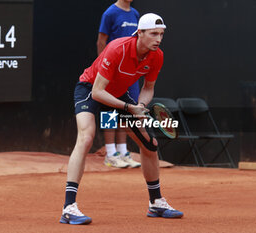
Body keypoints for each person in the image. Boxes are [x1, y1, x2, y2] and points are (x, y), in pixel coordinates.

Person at [60, 13, 183, 225]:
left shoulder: (157, 56)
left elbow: (148, 88)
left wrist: (141, 107)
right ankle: (68, 208)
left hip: (119, 95)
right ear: (140, 33)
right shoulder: (118, 48)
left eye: (161, 34)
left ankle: (156, 203)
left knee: (150, 144)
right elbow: (98, 92)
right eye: (153, 34)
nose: (158, 39)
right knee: (86, 138)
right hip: (90, 90)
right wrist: (129, 107)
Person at [97, 0, 141, 168]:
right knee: (109, 111)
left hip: (131, 72)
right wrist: (104, 68)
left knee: (127, 109)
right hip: (113, 71)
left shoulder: (135, 14)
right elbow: (101, 41)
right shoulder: (110, 13)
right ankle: (110, 153)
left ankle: (123, 152)